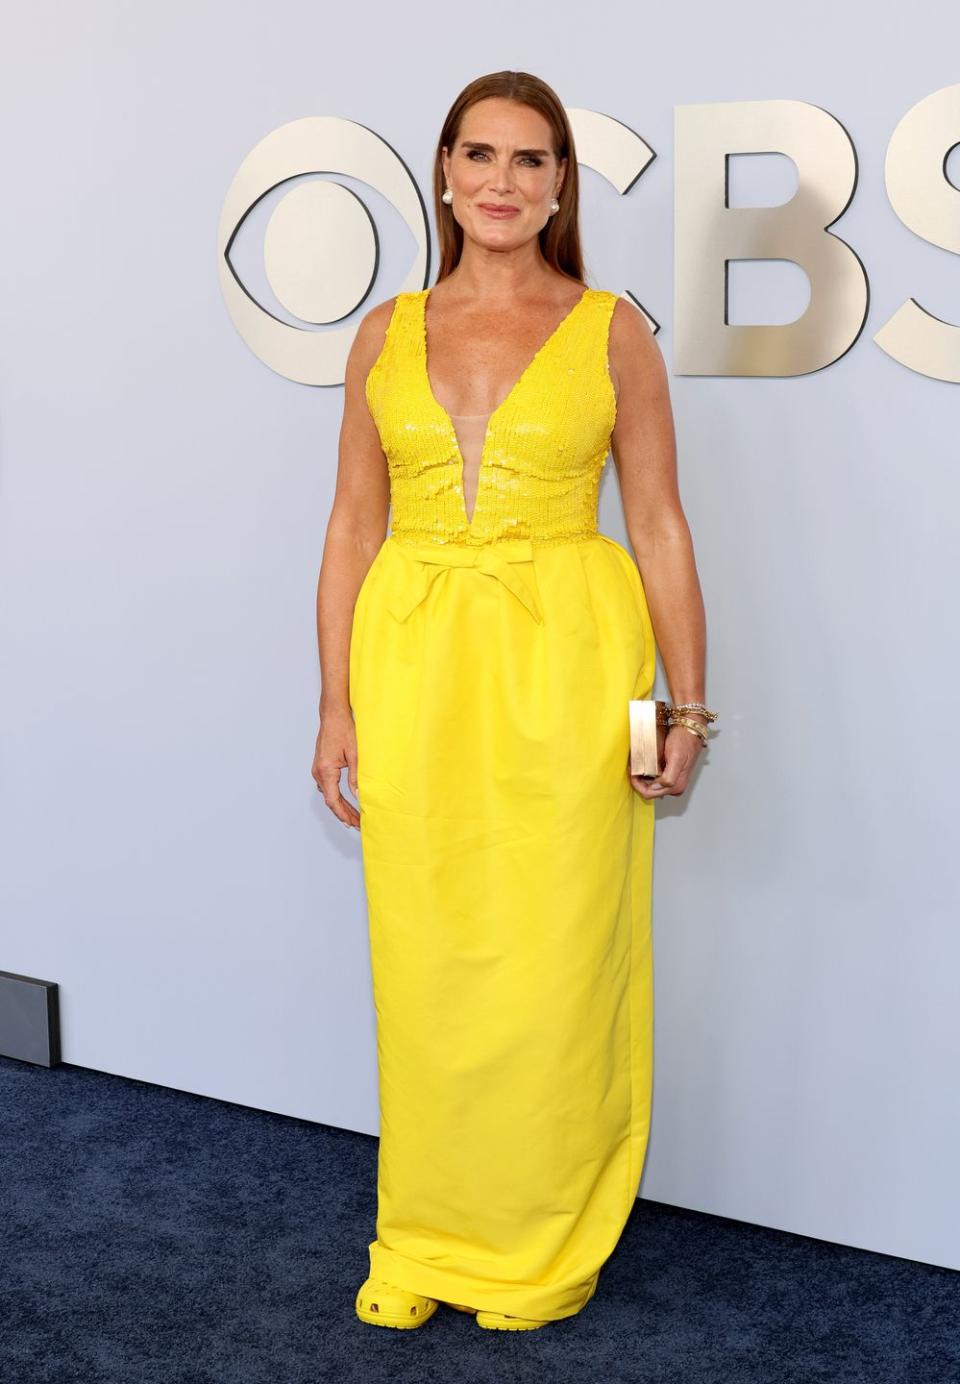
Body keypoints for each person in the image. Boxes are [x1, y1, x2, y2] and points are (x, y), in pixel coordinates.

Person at [312, 70, 716, 1332]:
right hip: (416, 663)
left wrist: (685, 715)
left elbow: (655, 524)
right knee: (427, 961)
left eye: (529, 161)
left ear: (559, 189)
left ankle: (541, 1242)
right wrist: (336, 703)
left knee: (554, 958)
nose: (501, 180)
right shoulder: (383, 332)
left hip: (572, 669)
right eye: (479, 155)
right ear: (441, 172)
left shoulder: (613, 330)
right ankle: (428, 1230)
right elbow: (352, 526)